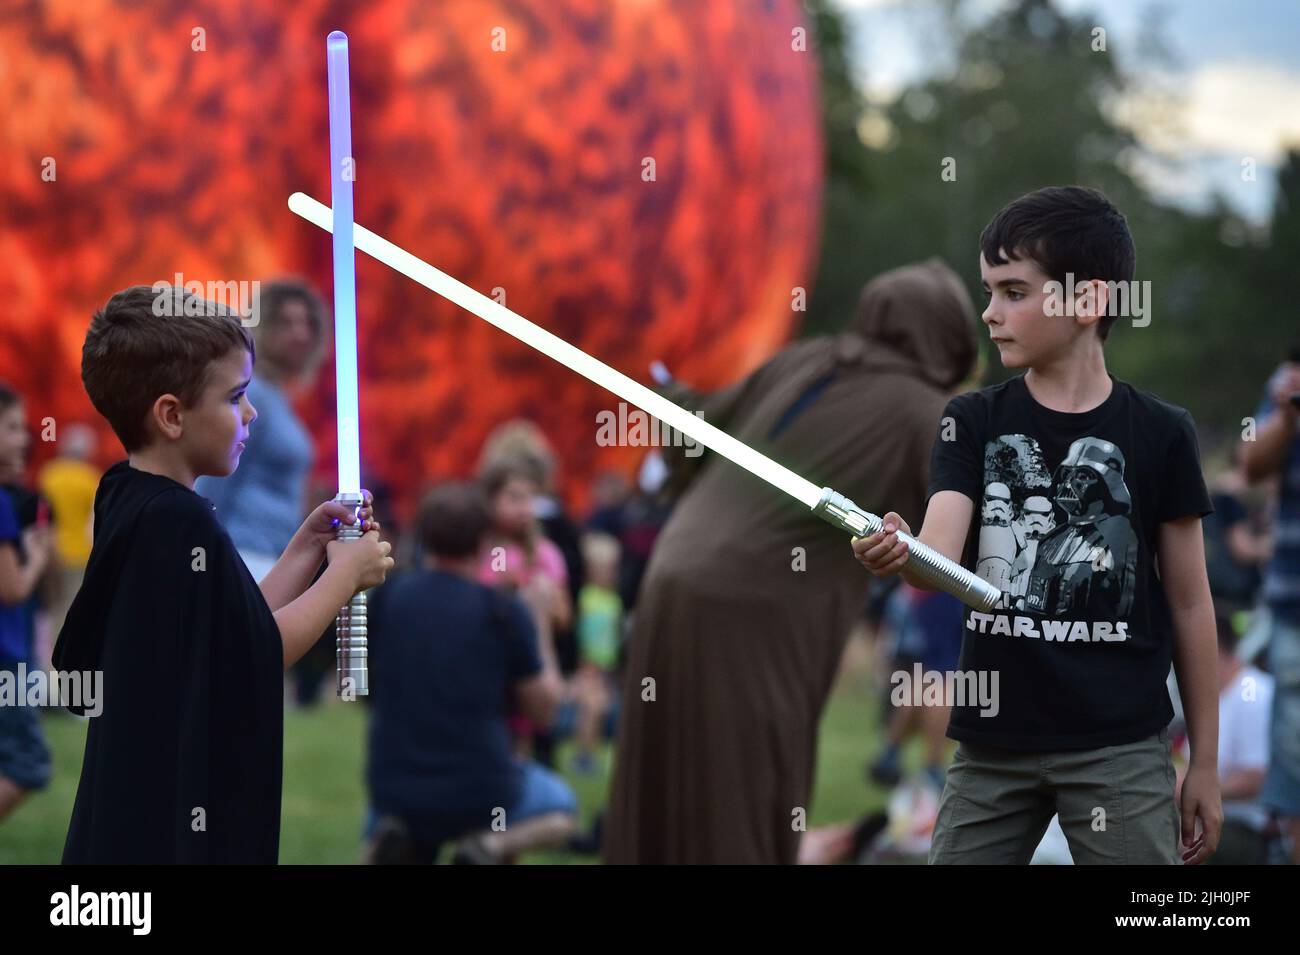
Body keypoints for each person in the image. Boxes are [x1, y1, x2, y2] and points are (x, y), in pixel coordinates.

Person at [855, 186, 1222, 864]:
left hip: (1121, 749)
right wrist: (898, 550)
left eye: (1014, 291)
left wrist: (1204, 760)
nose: (990, 313)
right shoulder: (971, 420)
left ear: (1087, 301)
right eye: (988, 290)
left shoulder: (1163, 434)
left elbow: (1192, 604)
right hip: (992, 749)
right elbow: (936, 555)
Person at [604, 258, 979, 864]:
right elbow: (962, 533)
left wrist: (667, 390)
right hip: (763, 604)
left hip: (672, 572)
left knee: (665, 753)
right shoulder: (926, 411)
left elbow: (694, 431)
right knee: (750, 770)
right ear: (948, 335)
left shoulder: (802, 360)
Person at [53, 284, 392, 863]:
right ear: (171, 415)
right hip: (173, 819)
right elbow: (254, 652)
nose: (251, 412)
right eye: (235, 397)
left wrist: (304, 550)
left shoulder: (131, 496)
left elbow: (232, 624)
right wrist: (344, 579)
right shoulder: (180, 521)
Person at [365, 482, 576, 864]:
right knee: (562, 809)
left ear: (424, 535)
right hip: (483, 790)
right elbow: (544, 711)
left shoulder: (389, 599)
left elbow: (365, 689)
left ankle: (402, 835)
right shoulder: (502, 612)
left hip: (394, 785)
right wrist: (539, 619)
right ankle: (486, 846)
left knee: (394, 823)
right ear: (483, 539)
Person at [1240, 344, 1300, 862]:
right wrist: (1286, 412)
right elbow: (1252, 463)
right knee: (1296, 754)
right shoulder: (1288, 378)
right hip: (1292, 606)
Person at [0, 383, 55, 824]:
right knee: (28, 764)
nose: (24, 438)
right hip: (8, 659)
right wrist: (36, 554)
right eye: (13, 427)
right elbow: (13, 589)